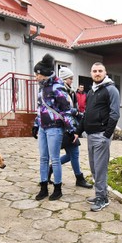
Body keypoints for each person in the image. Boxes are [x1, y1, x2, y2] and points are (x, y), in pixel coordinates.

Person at [31, 53, 75, 201]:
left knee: (55, 159)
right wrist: (36, 124)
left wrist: (70, 129)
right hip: (43, 127)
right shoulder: (41, 88)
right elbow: (40, 108)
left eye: (37, 74)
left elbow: (66, 110)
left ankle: (57, 188)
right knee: (43, 158)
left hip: (55, 127)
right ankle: (43, 187)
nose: (36, 77)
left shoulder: (57, 86)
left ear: (45, 74)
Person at [77, 62, 120, 212]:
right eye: (94, 71)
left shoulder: (111, 90)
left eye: (100, 71)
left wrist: (107, 135)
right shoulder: (91, 92)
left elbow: (115, 114)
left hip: (101, 135)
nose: (97, 73)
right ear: (91, 73)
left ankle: (102, 198)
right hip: (90, 135)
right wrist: (78, 130)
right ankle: (101, 194)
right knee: (94, 167)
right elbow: (86, 114)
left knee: (100, 169)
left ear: (105, 72)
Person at [55, 67, 92, 189]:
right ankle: (79, 178)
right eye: (70, 78)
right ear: (64, 79)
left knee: (71, 154)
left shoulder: (69, 91)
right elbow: (62, 109)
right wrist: (75, 111)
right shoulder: (60, 91)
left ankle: (51, 168)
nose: (72, 80)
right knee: (74, 153)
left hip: (70, 125)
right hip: (65, 127)